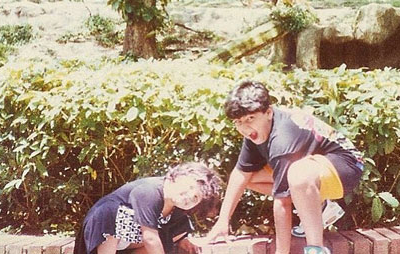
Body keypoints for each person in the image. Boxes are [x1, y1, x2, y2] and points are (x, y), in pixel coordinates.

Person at [205, 81, 364, 254]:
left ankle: (316, 249)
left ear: (268, 112)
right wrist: (222, 221)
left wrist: (281, 252)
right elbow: (240, 174)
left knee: (297, 175)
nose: (244, 128)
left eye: (250, 118)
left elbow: (282, 203)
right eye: (238, 121)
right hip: (315, 167)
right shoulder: (255, 131)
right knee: (249, 179)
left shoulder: (282, 139)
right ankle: (321, 206)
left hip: (346, 166)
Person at [74, 162, 222, 254]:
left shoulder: (177, 208)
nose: (188, 196)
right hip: (105, 229)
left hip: (130, 240)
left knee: (179, 230)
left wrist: (183, 239)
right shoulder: (151, 191)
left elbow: (171, 232)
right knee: (109, 213)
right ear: (178, 177)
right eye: (189, 187)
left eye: (195, 198)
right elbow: (150, 238)